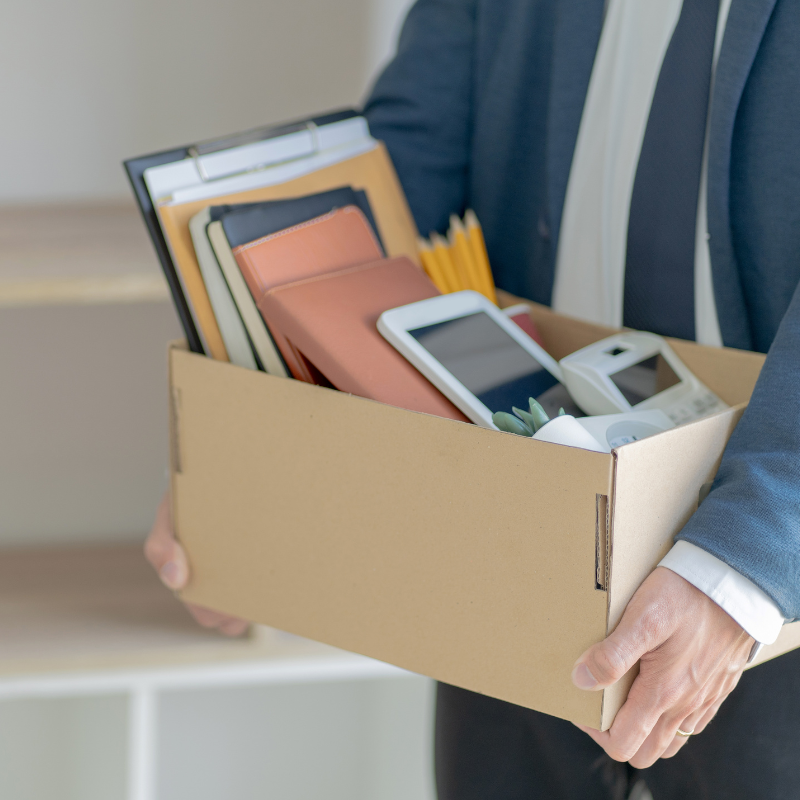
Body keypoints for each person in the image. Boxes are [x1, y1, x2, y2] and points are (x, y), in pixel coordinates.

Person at [146, 1, 800, 797]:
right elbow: (404, 169)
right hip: (506, 528)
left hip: (764, 580)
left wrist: (746, 563)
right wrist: (259, 450)